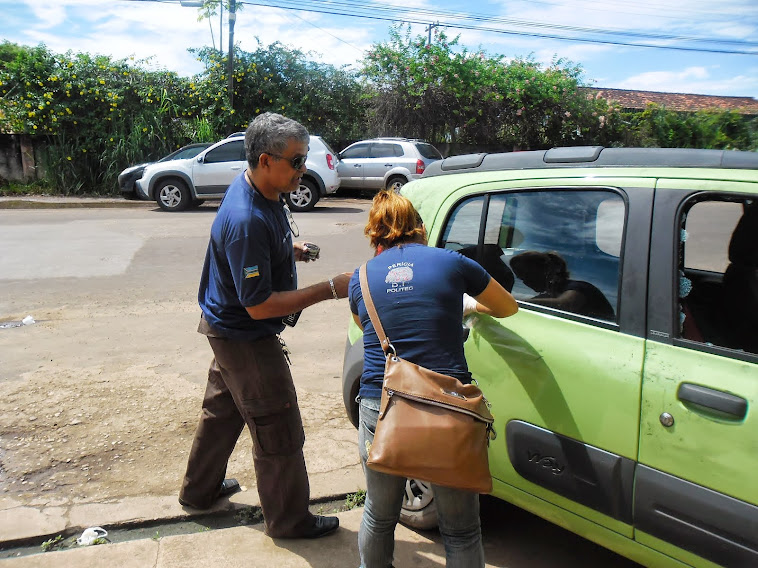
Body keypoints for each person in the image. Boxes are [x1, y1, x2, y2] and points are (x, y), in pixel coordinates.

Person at [179, 112, 352, 539]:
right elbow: (258, 306)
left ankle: (198, 493)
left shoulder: (263, 190)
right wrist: (330, 288)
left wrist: (287, 248)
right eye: (295, 161)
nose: (303, 169)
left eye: (304, 158)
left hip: (226, 328)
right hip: (245, 336)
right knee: (278, 425)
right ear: (264, 159)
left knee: (222, 413)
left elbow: (251, 255)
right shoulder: (246, 218)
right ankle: (290, 520)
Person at [348, 191, 518, 568]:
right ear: (419, 228)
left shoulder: (359, 279)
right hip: (447, 407)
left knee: (378, 515)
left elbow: (367, 329)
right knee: (460, 530)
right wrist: (469, 305)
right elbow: (508, 306)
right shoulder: (453, 263)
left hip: (382, 404)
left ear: (374, 235)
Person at [509, 250, 615, 321]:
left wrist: (520, 303)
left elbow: (565, 305)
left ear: (546, 270)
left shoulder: (579, 287)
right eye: (521, 278)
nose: (525, 281)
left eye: (527, 275)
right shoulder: (547, 297)